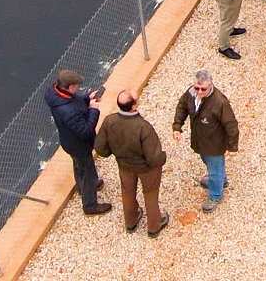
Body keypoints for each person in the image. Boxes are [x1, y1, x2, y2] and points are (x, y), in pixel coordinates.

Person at [94, 89, 167, 236]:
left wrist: (113, 154)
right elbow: (154, 157)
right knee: (150, 194)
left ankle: (131, 221)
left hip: (124, 166)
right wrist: (162, 158)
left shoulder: (110, 121)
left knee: (127, 193)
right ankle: (154, 226)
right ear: (134, 106)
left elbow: (100, 147)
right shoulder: (143, 127)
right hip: (146, 169)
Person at [171, 70, 239, 213]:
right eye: (197, 87)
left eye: (203, 88)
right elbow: (182, 107)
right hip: (200, 140)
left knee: (214, 169)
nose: (199, 91)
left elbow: (231, 124)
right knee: (209, 163)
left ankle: (215, 194)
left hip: (214, 144)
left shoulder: (220, 102)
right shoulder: (190, 94)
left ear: (210, 85)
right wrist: (177, 126)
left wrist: (232, 146)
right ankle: (221, 180)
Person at [45, 70, 111, 216]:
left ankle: (82, 188)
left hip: (69, 142)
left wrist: (87, 98)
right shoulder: (68, 111)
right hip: (79, 145)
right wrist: (94, 110)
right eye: (76, 86)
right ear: (69, 87)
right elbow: (86, 130)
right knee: (88, 172)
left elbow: (74, 101)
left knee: (78, 165)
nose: (78, 88)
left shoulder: (58, 95)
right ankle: (90, 205)